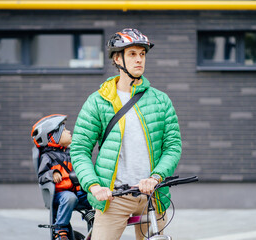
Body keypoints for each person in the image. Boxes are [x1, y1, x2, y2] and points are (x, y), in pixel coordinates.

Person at [70, 28, 182, 240]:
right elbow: (80, 149)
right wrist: (94, 185)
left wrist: (156, 177)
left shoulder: (160, 100)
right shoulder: (98, 101)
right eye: (132, 54)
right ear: (117, 59)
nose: (139, 59)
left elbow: (173, 146)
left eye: (142, 54)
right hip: (114, 197)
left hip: (152, 195)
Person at [31, 114, 91, 240]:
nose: (69, 131)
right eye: (64, 130)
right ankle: (60, 229)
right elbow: (41, 176)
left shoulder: (70, 152)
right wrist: (52, 173)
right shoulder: (47, 157)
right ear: (53, 136)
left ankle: (94, 220)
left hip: (75, 191)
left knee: (94, 197)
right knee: (69, 198)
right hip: (60, 195)